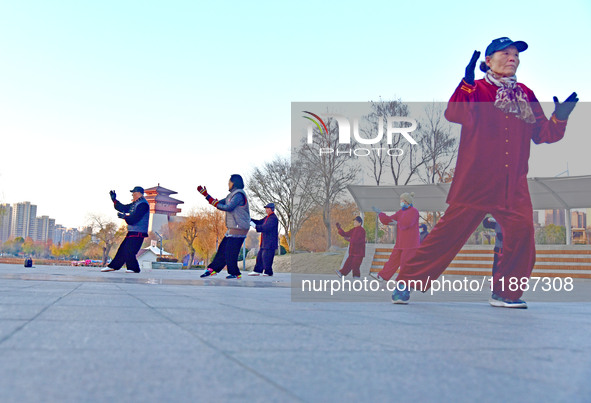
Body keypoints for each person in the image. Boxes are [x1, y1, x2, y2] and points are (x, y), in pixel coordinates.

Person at [391, 37, 578, 308]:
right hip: (475, 181)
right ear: (488, 60)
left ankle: (506, 293)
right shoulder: (476, 90)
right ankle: (406, 281)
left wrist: (560, 116)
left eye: (516, 54)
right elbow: (454, 113)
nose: (513, 57)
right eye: (506, 53)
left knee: (523, 235)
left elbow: (543, 135)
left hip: (512, 184)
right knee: (446, 236)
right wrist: (465, 84)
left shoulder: (525, 94)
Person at [198, 174, 250, 279]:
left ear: (234, 183)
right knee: (223, 249)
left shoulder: (239, 195)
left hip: (239, 228)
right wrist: (206, 195)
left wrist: (216, 204)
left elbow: (228, 207)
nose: (228, 184)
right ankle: (213, 269)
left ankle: (235, 273)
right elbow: (218, 203)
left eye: (229, 182)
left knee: (230, 251)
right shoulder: (231, 196)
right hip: (234, 228)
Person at [372, 193, 419, 282]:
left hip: (410, 243)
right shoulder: (400, 212)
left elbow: (408, 223)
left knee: (405, 263)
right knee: (392, 260)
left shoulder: (414, 211)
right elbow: (389, 220)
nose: (401, 202)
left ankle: (405, 282)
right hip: (400, 242)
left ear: (407, 201)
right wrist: (380, 214)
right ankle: (382, 276)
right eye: (401, 200)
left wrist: (398, 223)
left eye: (403, 200)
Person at [101, 186, 149, 273]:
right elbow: (123, 207)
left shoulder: (143, 204)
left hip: (139, 232)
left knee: (129, 250)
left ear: (138, 193)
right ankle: (113, 266)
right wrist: (114, 200)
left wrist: (125, 217)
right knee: (122, 249)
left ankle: (134, 268)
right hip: (132, 232)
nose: (132, 194)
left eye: (133, 193)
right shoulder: (135, 204)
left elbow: (135, 218)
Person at [248, 202, 279, 276]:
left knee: (267, 257)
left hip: (270, 243)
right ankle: (257, 271)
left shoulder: (273, 218)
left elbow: (266, 227)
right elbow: (259, 222)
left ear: (272, 209)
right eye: (266, 209)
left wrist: (255, 226)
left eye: (267, 209)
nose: (266, 210)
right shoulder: (267, 218)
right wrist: (250, 220)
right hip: (265, 242)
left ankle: (268, 272)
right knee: (260, 256)